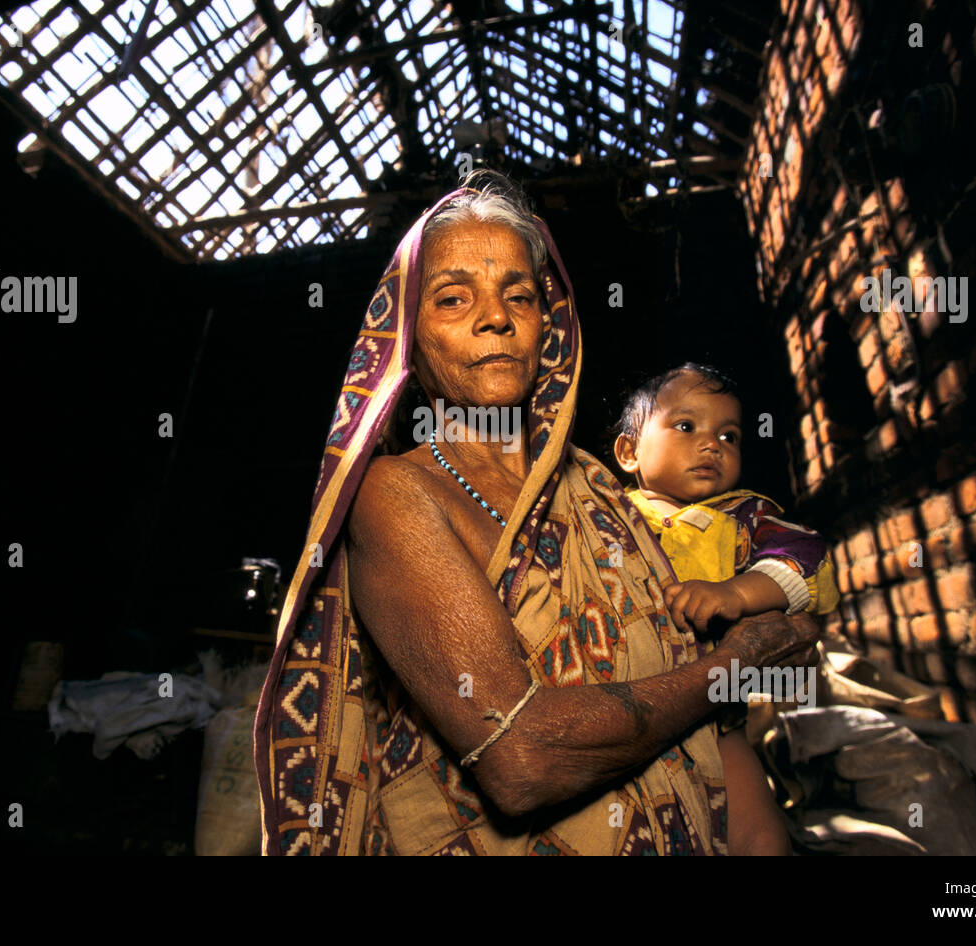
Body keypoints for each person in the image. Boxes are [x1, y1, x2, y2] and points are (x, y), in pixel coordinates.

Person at [253, 170, 820, 855]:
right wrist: (733, 665)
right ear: (409, 335)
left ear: (547, 326)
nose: (496, 317)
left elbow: (705, 711)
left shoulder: (600, 491)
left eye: (518, 294)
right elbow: (522, 757)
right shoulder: (396, 494)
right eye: (453, 298)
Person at [612, 363, 842, 852]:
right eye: (687, 426)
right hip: (618, 714)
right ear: (629, 452)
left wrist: (739, 592)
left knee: (762, 840)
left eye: (730, 435)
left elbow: (810, 563)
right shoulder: (605, 513)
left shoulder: (743, 517)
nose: (712, 444)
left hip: (716, 719)